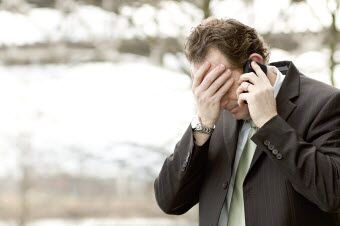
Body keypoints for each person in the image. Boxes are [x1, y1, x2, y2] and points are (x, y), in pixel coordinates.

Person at [154, 18, 340, 226]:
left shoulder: (326, 103)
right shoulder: (214, 113)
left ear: (254, 64)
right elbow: (169, 201)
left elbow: (332, 194)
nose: (218, 99)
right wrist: (202, 124)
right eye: (207, 86)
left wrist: (270, 124)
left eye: (220, 83)